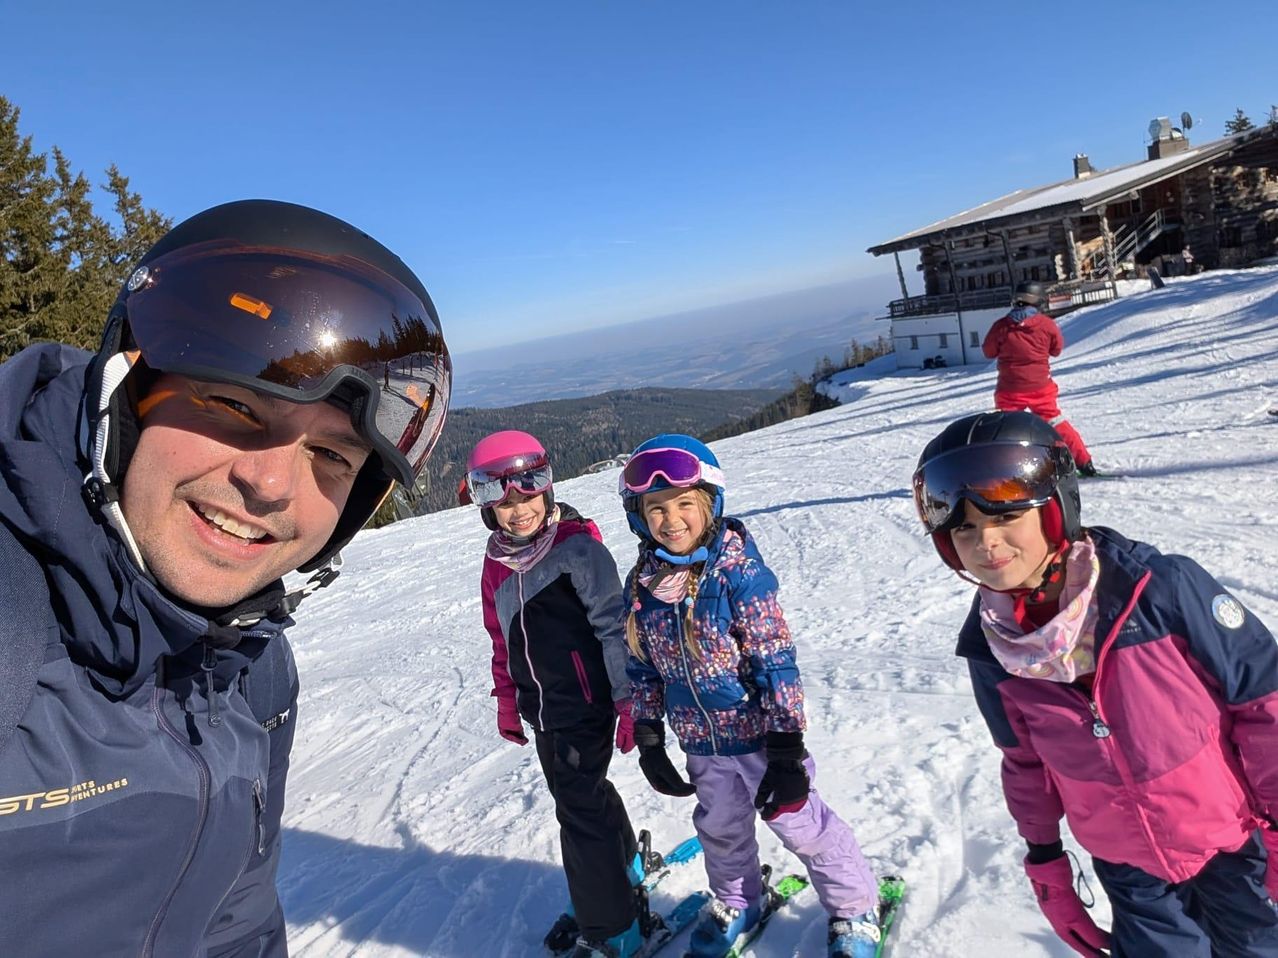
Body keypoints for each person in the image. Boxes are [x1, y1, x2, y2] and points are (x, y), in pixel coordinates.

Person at [0, 199, 451, 957]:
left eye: (331, 458)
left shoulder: (253, 669)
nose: (271, 485)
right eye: (237, 406)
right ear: (129, 396)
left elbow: (234, 917)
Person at [912, 410, 1278, 957]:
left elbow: (1263, 704)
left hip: (1232, 845)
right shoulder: (991, 649)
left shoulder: (1159, 591)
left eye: (1008, 515)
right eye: (964, 527)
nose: (987, 542)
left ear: (1056, 509)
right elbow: (1025, 763)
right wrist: (1046, 863)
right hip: (1129, 871)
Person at [618, 434, 883, 958]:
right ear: (638, 517)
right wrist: (650, 736)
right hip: (701, 744)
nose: (670, 521)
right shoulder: (644, 586)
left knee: (802, 825)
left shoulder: (738, 575)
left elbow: (774, 660)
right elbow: (642, 666)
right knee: (720, 831)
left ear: (710, 504)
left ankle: (855, 909)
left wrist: (785, 746)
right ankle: (739, 900)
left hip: (760, 739)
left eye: (684, 505)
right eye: (656, 509)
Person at [467, 430, 643, 958]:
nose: (518, 510)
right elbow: (501, 636)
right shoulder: (497, 560)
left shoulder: (578, 548)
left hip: (585, 704)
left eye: (529, 492)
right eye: (502, 501)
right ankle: (623, 867)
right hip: (541, 708)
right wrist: (506, 699)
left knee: (577, 809)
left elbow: (615, 628)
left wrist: (628, 699)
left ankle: (612, 926)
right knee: (583, 795)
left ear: (547, 487)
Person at [982, 281, 1097, 477]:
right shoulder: (1047, 324)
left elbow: (988, 352)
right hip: (1040, 387)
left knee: (1006, 429)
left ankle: (1005, 471)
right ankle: (1084, 463)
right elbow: (1057, 349)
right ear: (1037, 302)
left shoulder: (1001, 326)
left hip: (1010, 388)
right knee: (1056, 422)